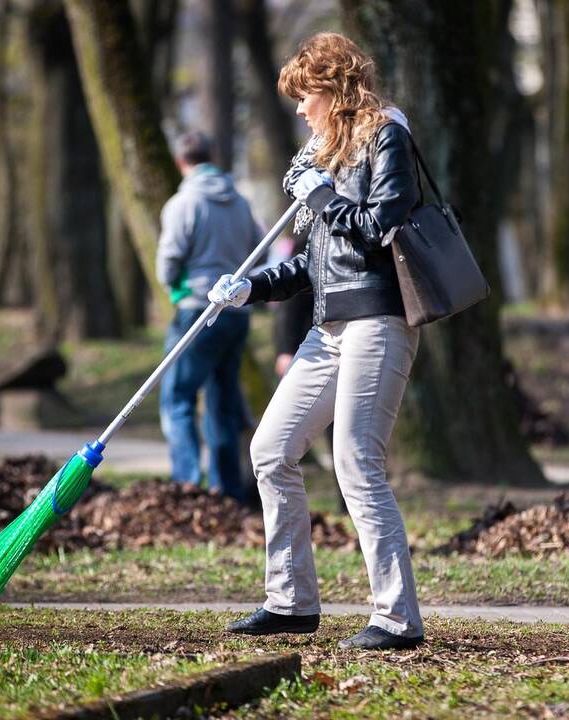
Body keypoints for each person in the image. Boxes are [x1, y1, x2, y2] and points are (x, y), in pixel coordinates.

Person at [208, 32, 424, 650]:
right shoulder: (323, 153)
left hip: (378, 320)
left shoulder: (388, 137)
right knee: (270, 451)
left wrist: (322, 193)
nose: (299, 109)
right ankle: (291, 602)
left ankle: (396, 617)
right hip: (328, 328)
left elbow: (379, 229)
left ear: (334, 89)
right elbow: (315, 263)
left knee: (357, 460)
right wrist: (249, 289)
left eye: (306, 96)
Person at [156, 130, 261, 504]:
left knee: (178, 399)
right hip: (235, 313)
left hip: (198, 312)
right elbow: (260, 249)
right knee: (222, 400)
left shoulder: (183, 203)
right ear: (212, 156)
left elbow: (169, 260)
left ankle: (186, 486)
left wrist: (174, 285)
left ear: (181, 162)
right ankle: (226, 489)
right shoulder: (240, 202)